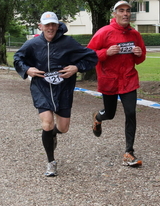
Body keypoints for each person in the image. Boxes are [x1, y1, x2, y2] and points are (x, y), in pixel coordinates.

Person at [14, 11, 98, 177]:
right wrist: (27, 69)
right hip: (41, 88)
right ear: (41, 26)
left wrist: (77, 67)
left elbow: (92, 57)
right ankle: (51, 162)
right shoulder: (33, 44)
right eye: (47, 25)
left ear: (58, 26)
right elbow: (18, 58)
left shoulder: (68, 43)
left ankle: (53, 133)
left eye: (53, 24)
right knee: (46, 123)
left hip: (63, 89)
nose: (50, 28)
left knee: (63, 128)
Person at [88, 1, 146, 167]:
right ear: (115, 14)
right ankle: (98, 117)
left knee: (131, 112)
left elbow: (141, 58)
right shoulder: (104, 32)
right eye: (121, 11)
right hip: (110, 80)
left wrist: (138, 53)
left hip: (128, 79)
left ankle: (129, 152)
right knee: (110, 114)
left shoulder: (135, 35)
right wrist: (105, 52)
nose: (126, 14)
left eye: (128, 11)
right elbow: (89, 54)